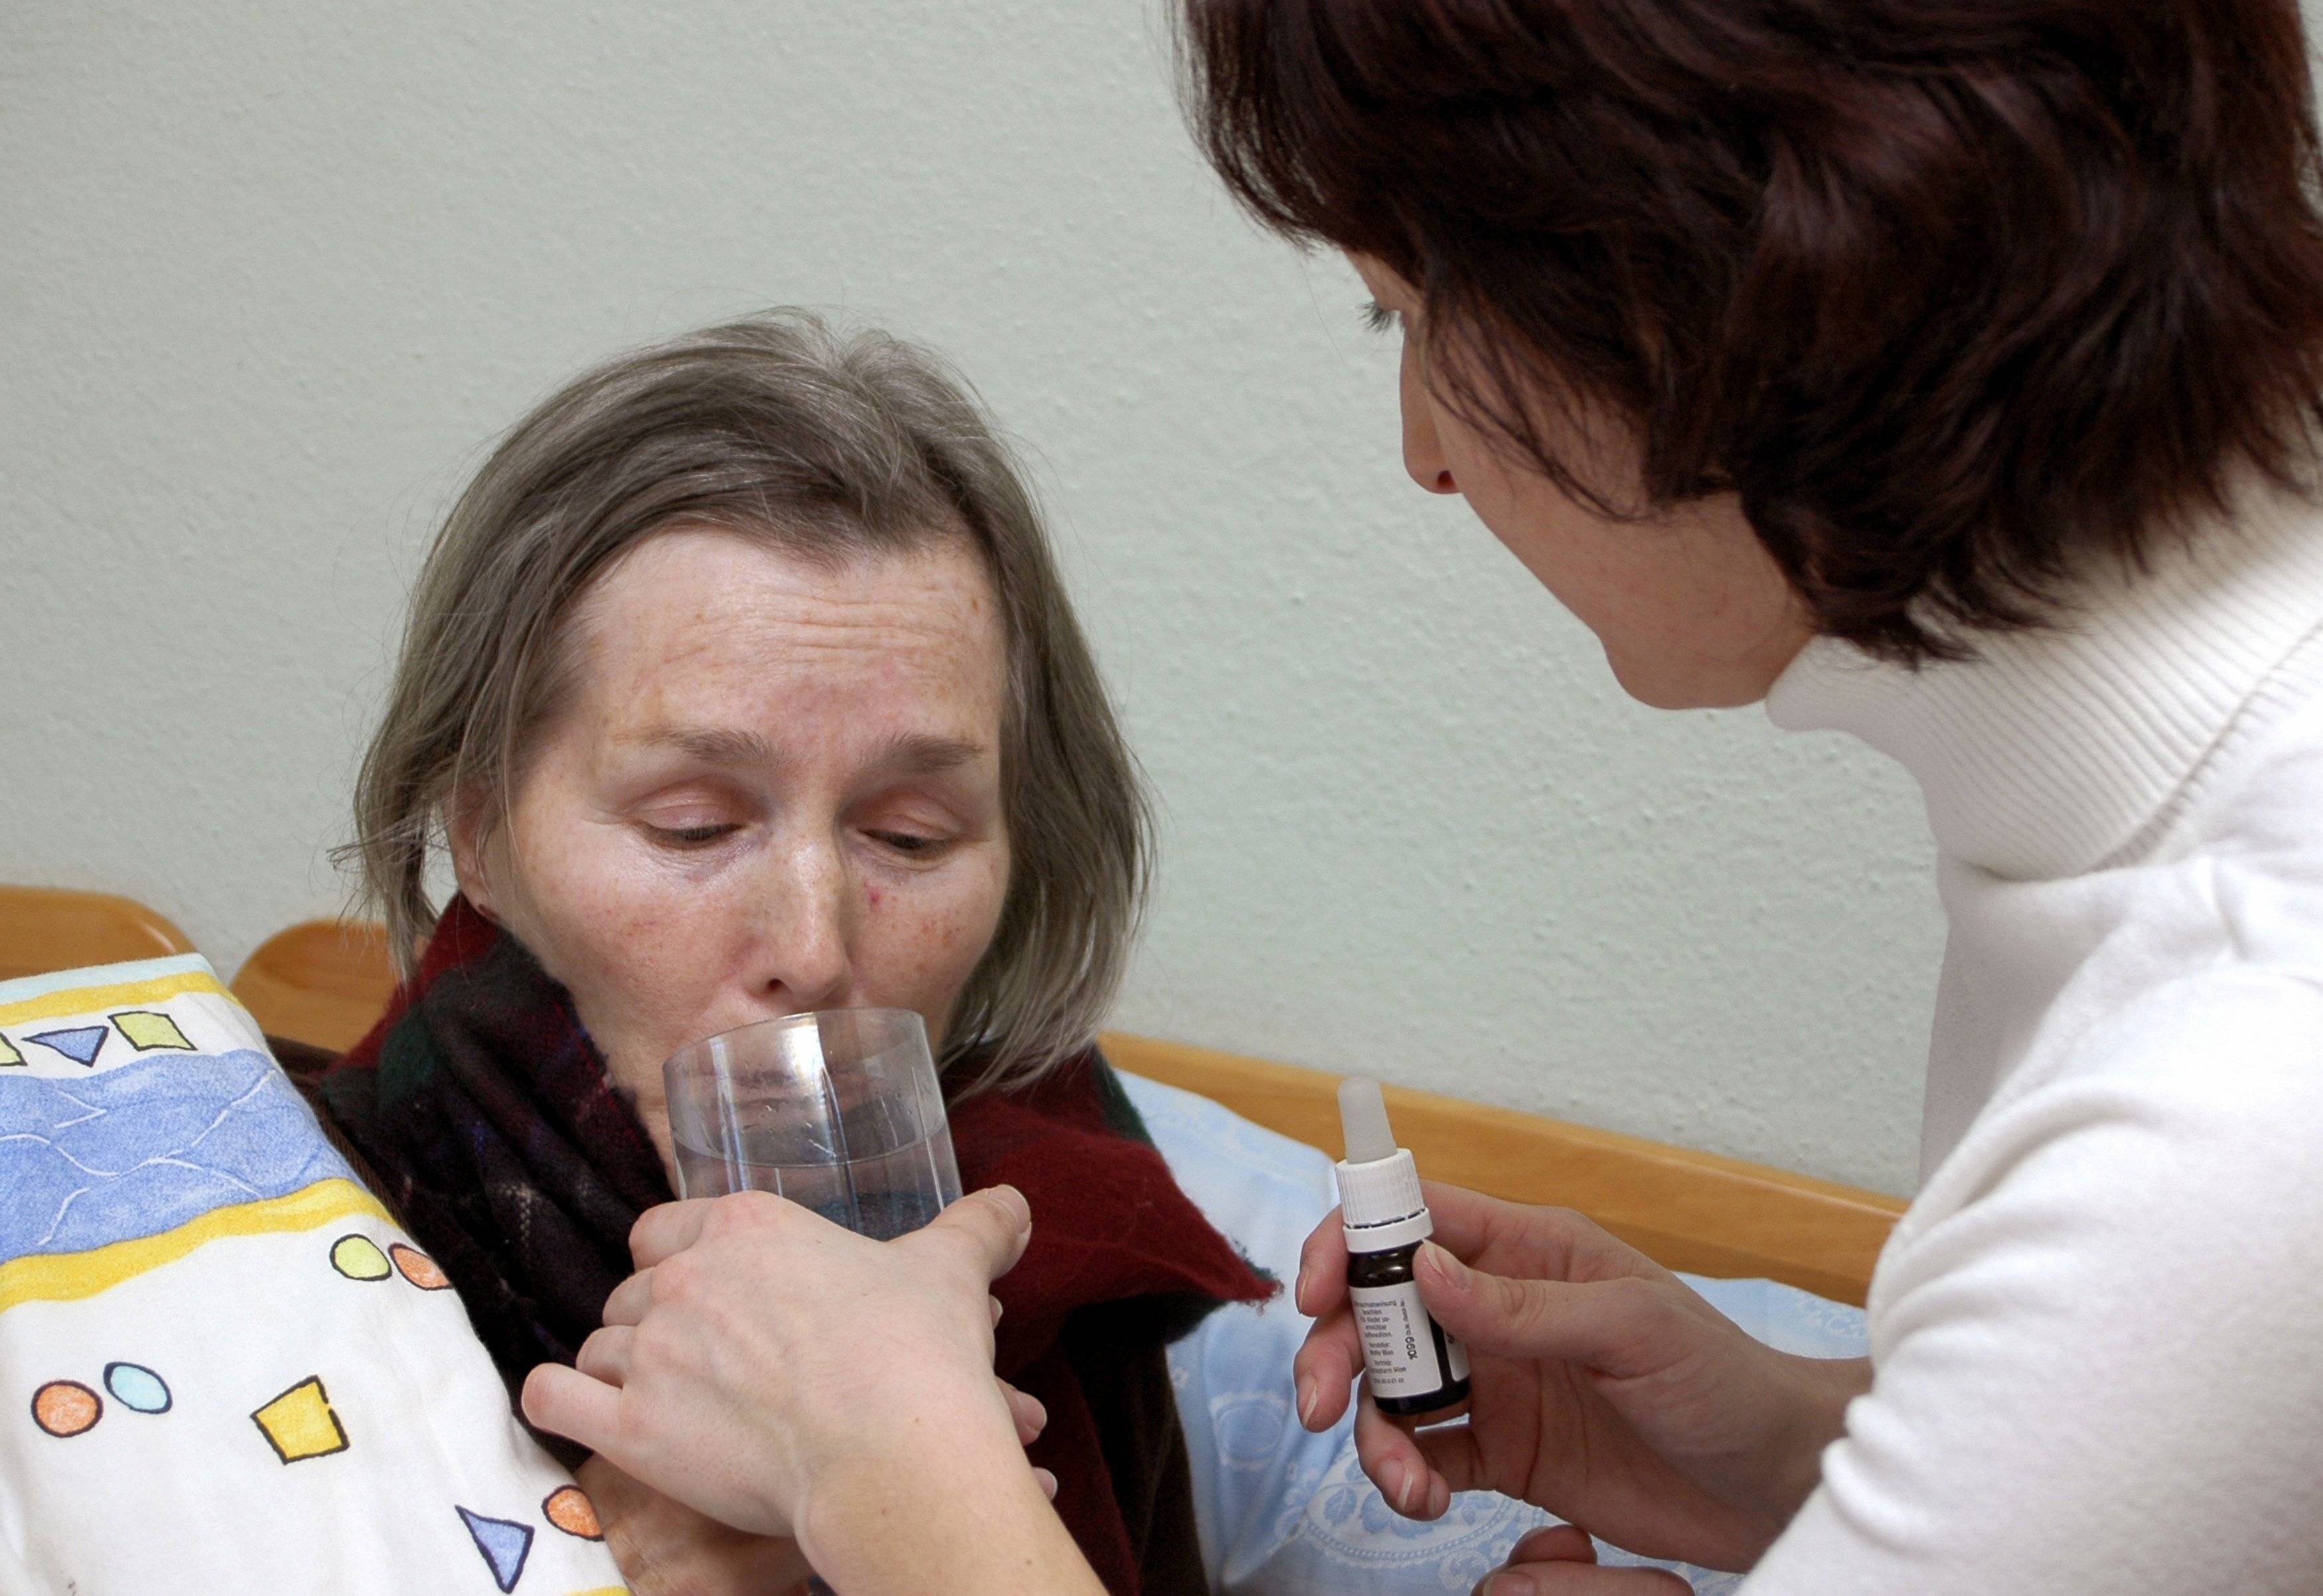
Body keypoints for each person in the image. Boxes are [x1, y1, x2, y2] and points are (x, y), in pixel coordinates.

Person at [527, 2, 2323, 1593]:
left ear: (1718, 282)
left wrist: (887, 1472)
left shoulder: (2240, 1092)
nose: (1424, 453)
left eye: (1407, 308)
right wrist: (1812, 1452)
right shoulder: (2128, 840)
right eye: (691, 824)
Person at [297, 311, 1277, 1596]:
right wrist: (615, 1557)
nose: (812, 952)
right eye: (693, 825)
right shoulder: (277, 1263)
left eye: (910, 836)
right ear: (479, 832)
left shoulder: (1065, 1251)